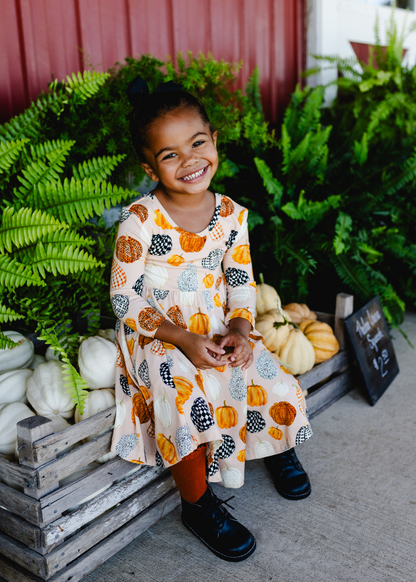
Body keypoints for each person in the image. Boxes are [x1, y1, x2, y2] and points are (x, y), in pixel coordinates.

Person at [110, 76, 313, 562]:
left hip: (218, 324)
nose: (190, 160)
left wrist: (241, 330)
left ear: (214, 140)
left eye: (197, 143)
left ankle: (275, 447)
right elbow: (123, 299)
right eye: (170, 154)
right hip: (157, 332)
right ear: (149, 167)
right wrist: (179, 337)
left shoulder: (230, 216)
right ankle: (198, 504)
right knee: (181, 390)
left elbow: (241, 286)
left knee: (265, 372)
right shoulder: (140, 219)